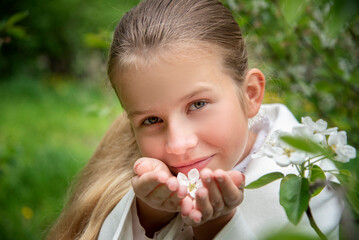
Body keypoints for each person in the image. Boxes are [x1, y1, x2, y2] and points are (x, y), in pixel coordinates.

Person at [47, 0, 343, 239]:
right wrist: (149, 217)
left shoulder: (310, 185)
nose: (177, 145)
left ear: (251, 94)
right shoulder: (138, 183)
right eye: (151, 120)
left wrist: (218, 226)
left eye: (197, 104)